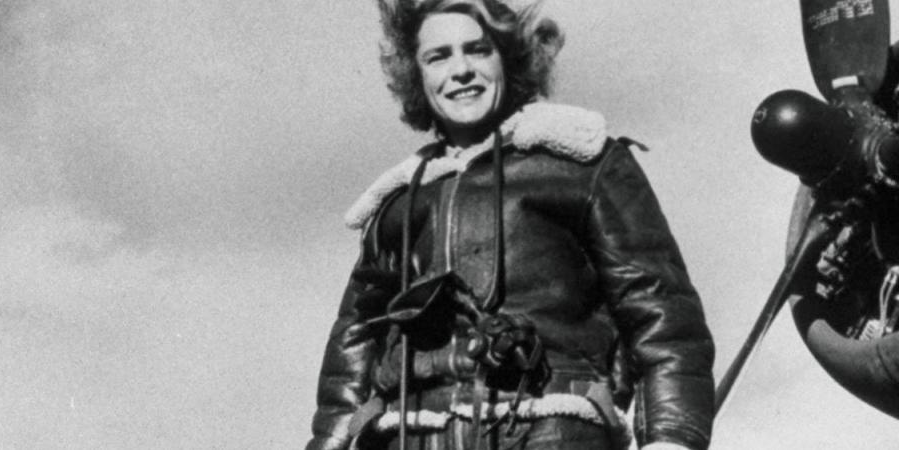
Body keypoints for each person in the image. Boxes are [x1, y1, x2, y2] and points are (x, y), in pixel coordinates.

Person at [306, 1, 715, 449]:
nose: (460, 70)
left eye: (478, 50)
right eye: (438, 56)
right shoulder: (396, 204)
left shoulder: (583, 164)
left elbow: (663, 318)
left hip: (552, 433)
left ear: (508, 58)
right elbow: (353, 348)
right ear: (417, 75)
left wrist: (672, 439)